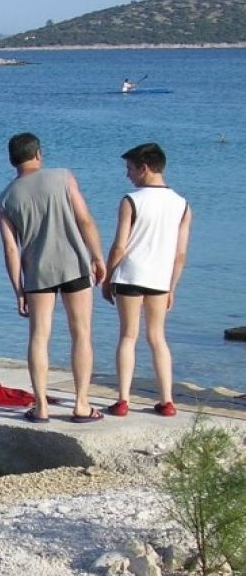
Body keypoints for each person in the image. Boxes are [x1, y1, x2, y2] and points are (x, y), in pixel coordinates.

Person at [0, 133, 108, 423]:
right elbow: (84, 219)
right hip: (74, 264)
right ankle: (81, 405)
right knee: (81, 332)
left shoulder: (6, 198)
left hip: (37, 272)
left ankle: (41, 405)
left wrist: (17, 289)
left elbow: (11, 248)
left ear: (12, 160)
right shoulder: (63, 177)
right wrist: (97, 256)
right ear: (38, 154)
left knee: (39, 336)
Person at [100, 142, 192, 417]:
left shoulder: (131, 200)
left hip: (131, 274)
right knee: (157, 337)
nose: (127, 174)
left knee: (128, 336)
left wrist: (107, 278)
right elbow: (180, 253)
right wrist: (172, 287)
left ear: (145, 167)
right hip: (160, 278)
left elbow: (119, 246)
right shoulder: (183, 205)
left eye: (130, 168)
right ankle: (167, 400)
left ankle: (123, 399)